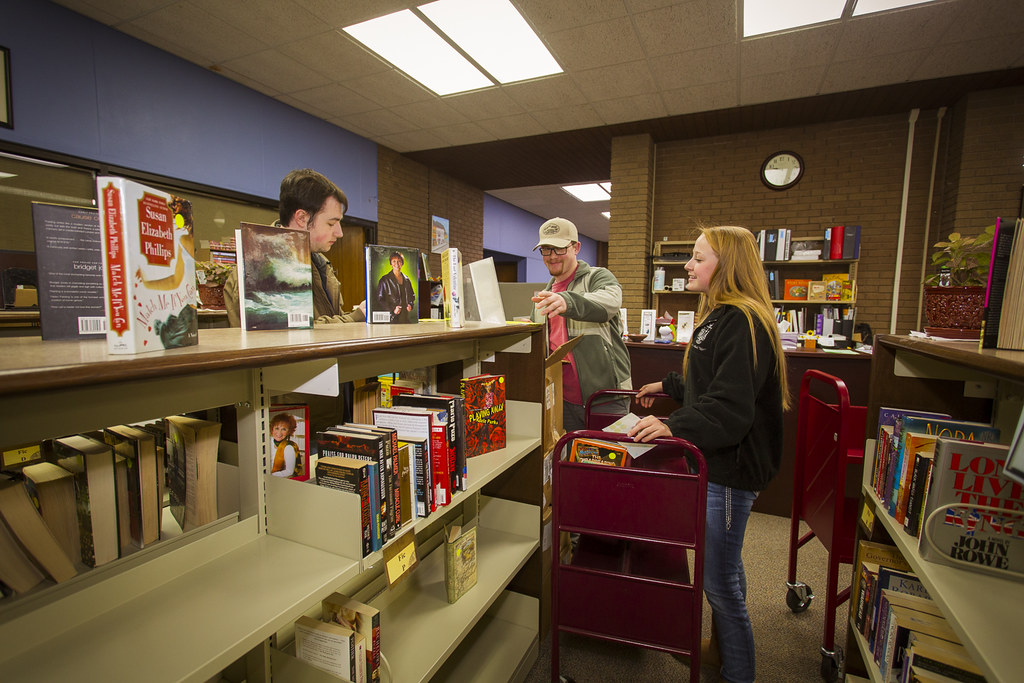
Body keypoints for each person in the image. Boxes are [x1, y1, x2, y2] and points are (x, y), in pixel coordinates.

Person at [627, 225, 790, 683]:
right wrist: (669, 386)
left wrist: (672, 424)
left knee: (720, 584)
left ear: (727, 265)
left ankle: (738, 673)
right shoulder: (721, 315)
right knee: (725, 568)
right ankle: (719, 652)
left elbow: (730, 407)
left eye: (698, 258)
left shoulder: (742, 320)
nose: (688, 265)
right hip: (718, 464)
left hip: (731, 471)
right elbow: (711, 380)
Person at [225, 168, 365, 327]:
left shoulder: (319, 263)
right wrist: (356, 317)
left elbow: (326, 320)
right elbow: (286, 334)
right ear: (302, 218)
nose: (339, 233)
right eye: (331, 223)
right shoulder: (260, 269)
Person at [530, 217, 631, 433]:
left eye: (559, 249)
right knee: (570, 453)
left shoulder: (597, 277)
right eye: (546, 250)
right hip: (562, 400)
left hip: (605, 398)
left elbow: (610, 302)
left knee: (610, 452)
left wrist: (568, 301)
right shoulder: (544, 296)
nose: (552, 256)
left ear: (576, 247)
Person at [376, 251, 416, 322]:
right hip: (392, 318)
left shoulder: (407, 279)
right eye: (394, 261)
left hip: (405, 317)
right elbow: (380, 299)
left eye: (399, 261)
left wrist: (410, 304)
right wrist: (393, 309)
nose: (397, 264)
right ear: (391, 263)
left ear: (402, 263)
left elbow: (412, 295)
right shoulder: (384, 280)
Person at [269, 412, 300, 478]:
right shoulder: (267, 442)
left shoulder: (289, 447)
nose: (279, 433)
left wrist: (270, 475)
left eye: (284, 429)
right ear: (272, 429)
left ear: (288, 432)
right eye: (277, 428)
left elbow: (289, 471)